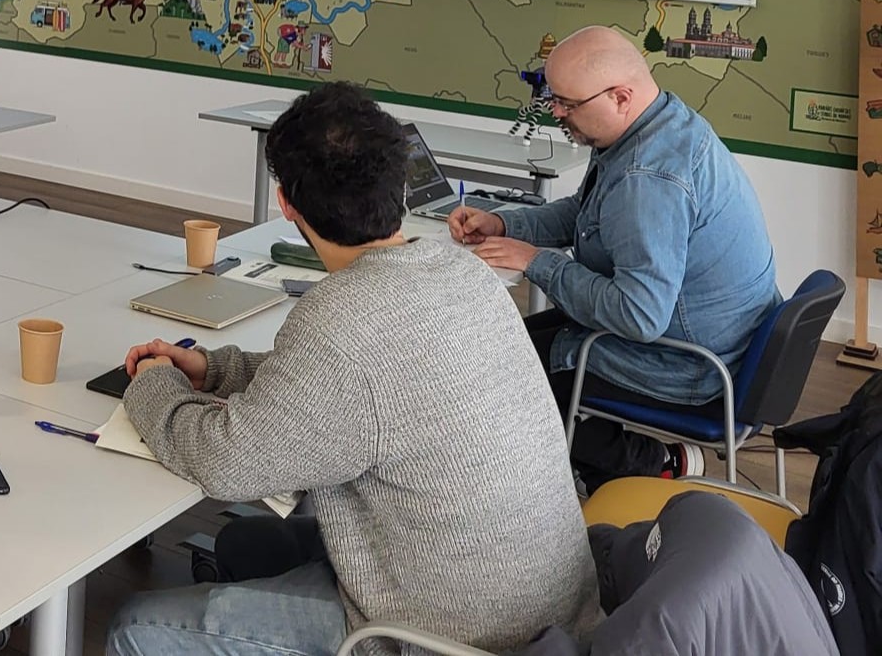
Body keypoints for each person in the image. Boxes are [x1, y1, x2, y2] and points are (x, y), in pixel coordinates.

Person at [107, 83, 599, 656]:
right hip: (548, 605)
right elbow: (363, 383)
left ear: (286, 203)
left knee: (136, 626)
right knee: (247, 540)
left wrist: (156, 384)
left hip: (454, 638)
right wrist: (216, 369)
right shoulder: (456, 268)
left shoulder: (340, 313)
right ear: (402, 182)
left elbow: (228, 463)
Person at [450, 25, 780, 487]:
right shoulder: (658, 124)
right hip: (715, 340)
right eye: (554, 99)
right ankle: (629, 462)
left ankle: (641, 463)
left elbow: (639, 315)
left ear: (620, 97)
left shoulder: (648, 177)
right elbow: (589, 214)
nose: (557, 113)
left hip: (692, 365)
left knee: (500, 375)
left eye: (567, 104)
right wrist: (506, 224)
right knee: (505, 343)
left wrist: (534, 261)